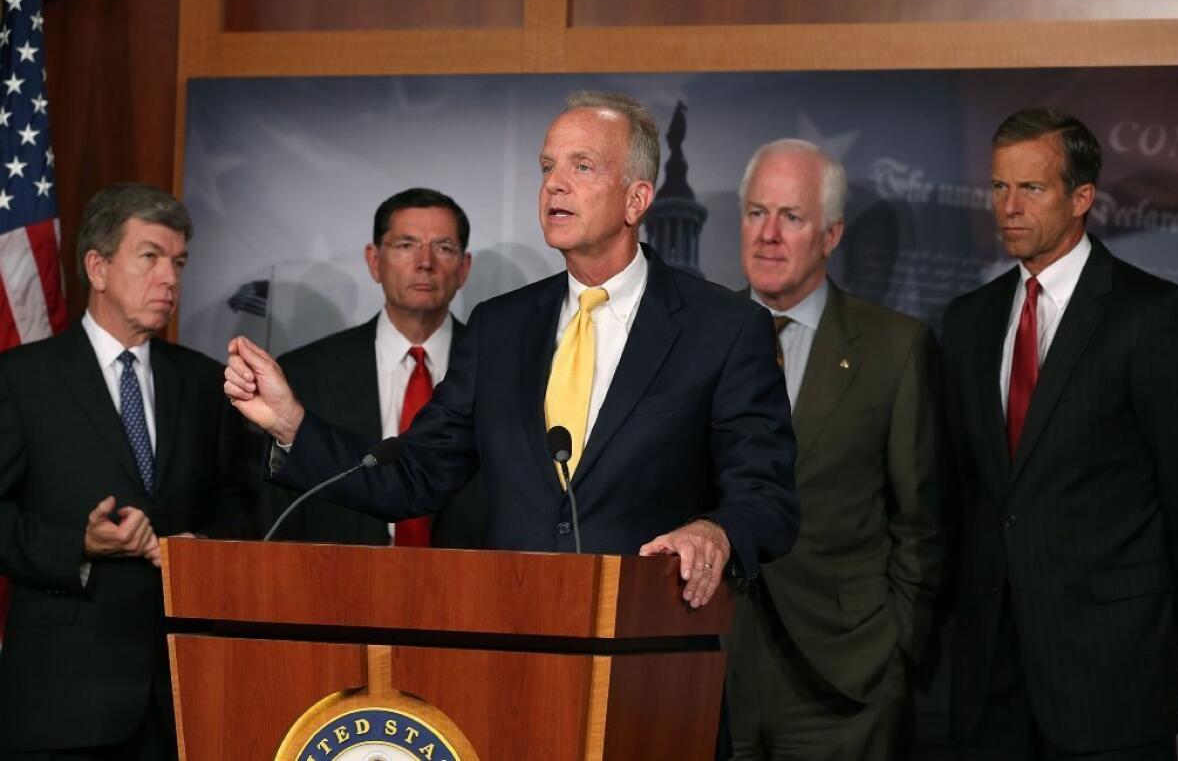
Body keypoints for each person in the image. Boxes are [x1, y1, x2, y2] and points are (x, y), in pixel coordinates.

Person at [224, 90, 800, 610]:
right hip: (514, 647)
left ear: (636, 199)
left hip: (648, 655)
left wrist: (715, 532)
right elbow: (416, 474)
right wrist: (293, 426)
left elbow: (767, 498)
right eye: (548, 167)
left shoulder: (722, 329)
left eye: (582, 166)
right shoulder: (501, 327)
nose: (554, 184)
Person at [943, 108, 1178, 759]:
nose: (1008, 206)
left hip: (1111, 679)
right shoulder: (969, 321)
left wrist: (1155, 624)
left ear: (1082, 197)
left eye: (1031, 188)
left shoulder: (1152, 316)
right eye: (999, 187)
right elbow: (963, 490)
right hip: (991, 684)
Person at [0, 183, 255, 759]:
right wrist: (78, 545)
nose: (170, 278)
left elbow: (240, 502)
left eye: (179, 262)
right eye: (150, 257)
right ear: (97, 266)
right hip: (64, 701)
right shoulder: (22, 380)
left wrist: (201, 548)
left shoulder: (205, 382)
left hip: (184, 696)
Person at [725, 139, 943, 759]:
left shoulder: (895, 348)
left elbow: (922, 524)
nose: (767, 235)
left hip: (843, 679)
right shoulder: (693, 334)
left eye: (790, 217)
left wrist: (894, 647)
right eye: (755, 212)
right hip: (709, 668)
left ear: (831, 234)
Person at [262, 188, 484, 548]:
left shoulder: (502, 371)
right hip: (338, 589)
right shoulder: (306, 374)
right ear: (373, 260)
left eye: (443, 247)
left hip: (474, 590)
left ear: (464, 268)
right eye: (406, 245)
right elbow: (280, 514)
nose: (425, 262)